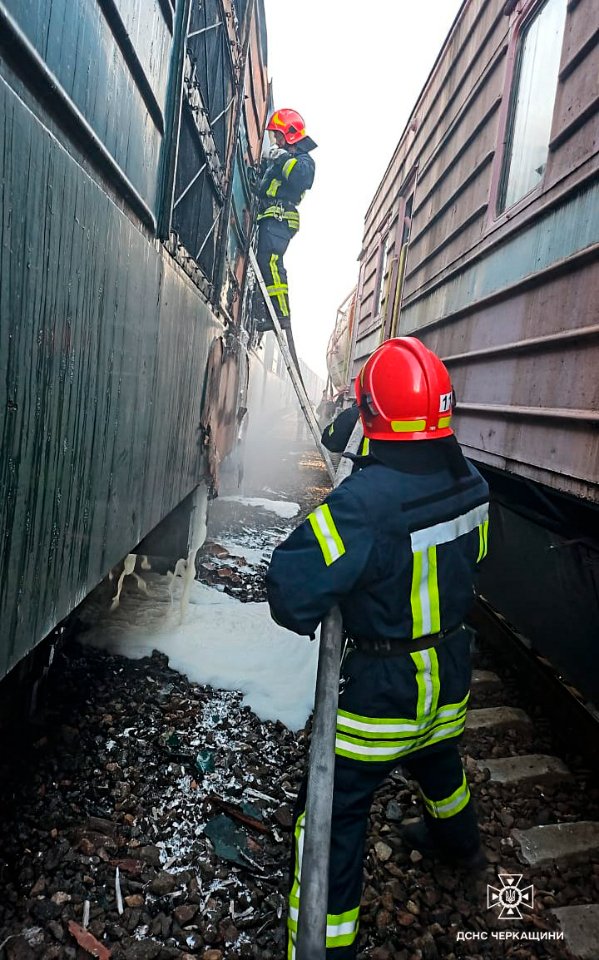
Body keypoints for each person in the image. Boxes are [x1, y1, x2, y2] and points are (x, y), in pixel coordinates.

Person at [266, 337, 490, 959]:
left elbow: (290, 593)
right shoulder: (473, 483)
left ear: (372, 417)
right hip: (449, 682)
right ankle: (462, 848)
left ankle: (322, 948)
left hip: (383, 700)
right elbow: (476, 559)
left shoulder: (361, 506)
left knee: (333, 817)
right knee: (442, 767)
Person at [254, 109, 316, 331]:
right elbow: (265, 187)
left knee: (270, 262)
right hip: (271, 218)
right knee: (265, 263)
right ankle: (267, 313)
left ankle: (280, 314)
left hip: (281, 219)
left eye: (279, 135)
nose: (277, 141)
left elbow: (301, 178)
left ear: (290, 134)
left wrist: (280, 159)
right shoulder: (281, 160)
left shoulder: (303, 161)